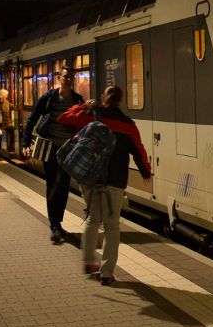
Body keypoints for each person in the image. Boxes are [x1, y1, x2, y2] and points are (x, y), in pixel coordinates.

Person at [58, 85, 152, 286]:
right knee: (112, 227)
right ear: (120, 101)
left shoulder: (92, 115)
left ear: (103, 97)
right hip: (115, 181)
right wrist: (146, 172)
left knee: (93, 219)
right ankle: (107, 273)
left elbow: (64, 117)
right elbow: (139, 151)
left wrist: (84, 106)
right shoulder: (128, 125)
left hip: (90, 178)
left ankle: (88, 261)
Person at [22, 67, 84, 242]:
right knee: (53, 184)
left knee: (63, 185)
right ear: (59, 78)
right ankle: (54, 224)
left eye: (71, 77)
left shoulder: (78, 100)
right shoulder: (48, 98)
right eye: (65, 76)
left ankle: (58, 222)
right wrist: (25, 143)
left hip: (67, 149)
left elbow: (82, 122)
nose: (68, 79)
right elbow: (31, 119)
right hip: (49, 148)